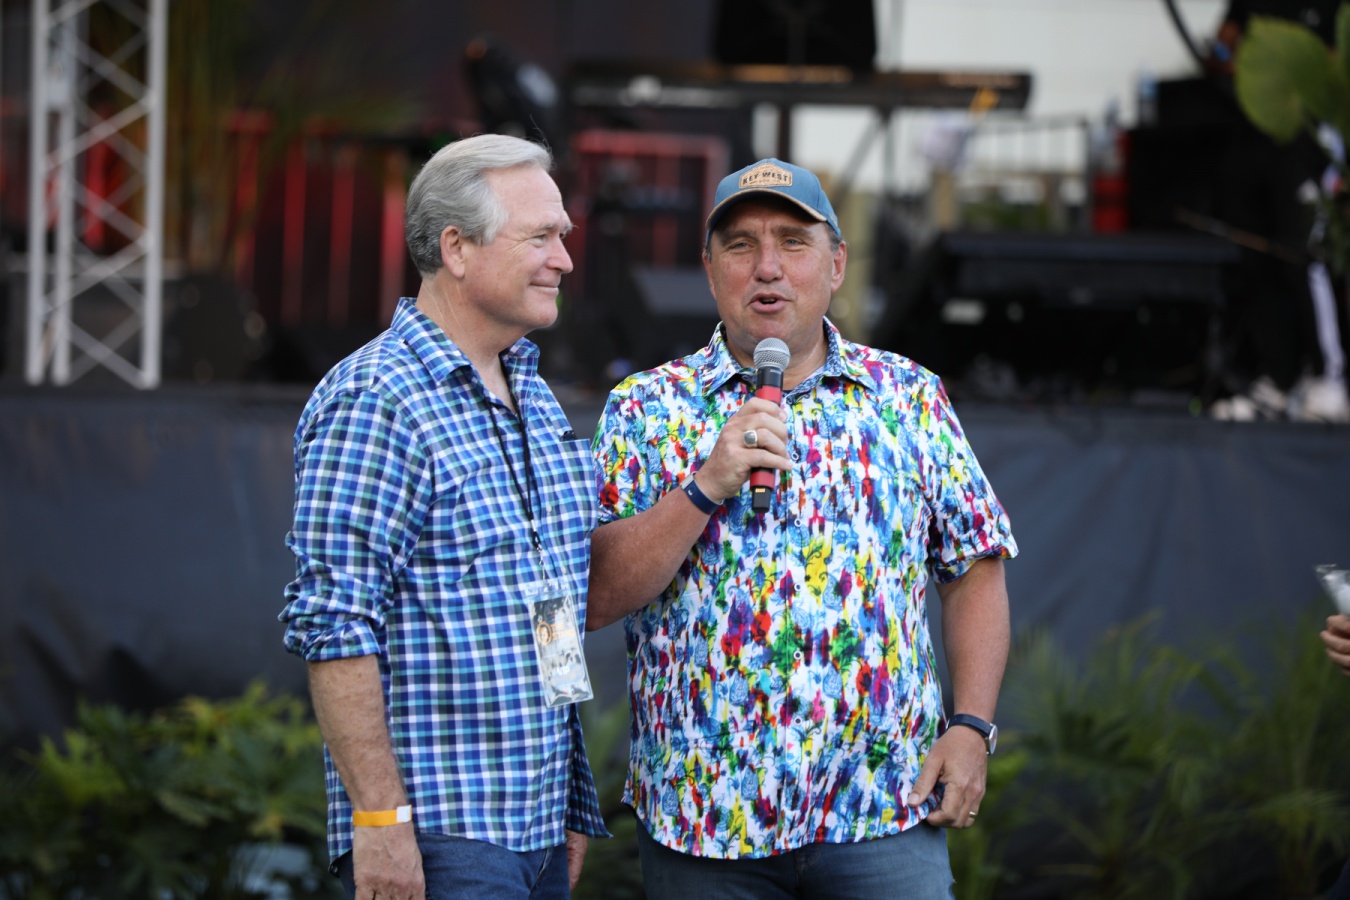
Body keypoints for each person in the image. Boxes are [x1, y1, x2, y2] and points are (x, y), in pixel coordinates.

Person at [587, 158, 1018, 899]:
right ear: (710, 270)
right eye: (740, 245)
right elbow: (597, 593)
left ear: (836, 263)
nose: (768, 267)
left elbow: (974, 566)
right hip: (705, 821)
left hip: (883, 809)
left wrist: (972, 726)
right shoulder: (644, 409)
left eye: (793, 241)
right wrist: (704, 486)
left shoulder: (908, 397)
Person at [279, 133, 607, 900]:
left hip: (534, 827)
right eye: (541, 237)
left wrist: (565, 794)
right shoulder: (377, 398)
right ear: (456, 248)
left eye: (563, 236)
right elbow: (335, 622)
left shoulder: (529, 391)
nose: (564, 259)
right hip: (440, 835)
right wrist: (379, 819)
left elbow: (549, 600)